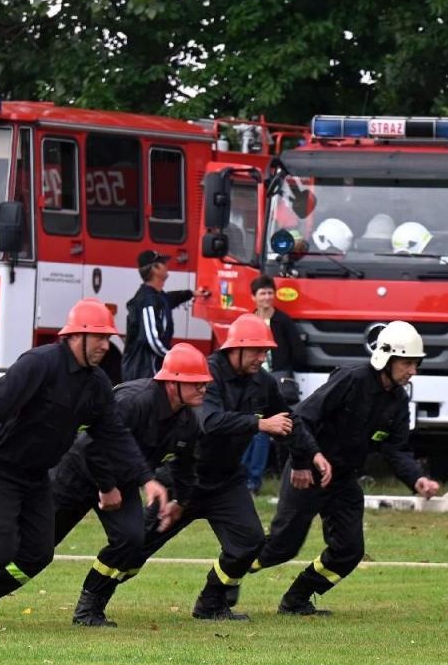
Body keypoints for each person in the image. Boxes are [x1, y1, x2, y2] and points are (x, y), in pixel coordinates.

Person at [0, 299, 169, 630]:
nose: (106, 345)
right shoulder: (40, 363)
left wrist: (147, 479)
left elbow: (114, 435)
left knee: (38, 553)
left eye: (108, 338)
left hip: (35, 476)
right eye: (99, 337)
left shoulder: (97, 384)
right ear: (75, 336)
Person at [107, 313, 311, 621]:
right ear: (235, 349)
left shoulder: (262, 381)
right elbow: (209, 422)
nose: (262, 358)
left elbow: (287, 420)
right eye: (257, 351)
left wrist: (304, 459)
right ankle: (93, 602)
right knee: (135, 547)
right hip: (185, 480)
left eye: (265, 351)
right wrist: (259, 424)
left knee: (249, 542)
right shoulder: (206, 374)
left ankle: (212, 603)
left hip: (226, 481)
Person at [248, 320, 441, 614]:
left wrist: (418, 480)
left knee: (349, 550)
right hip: (308, 472)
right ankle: (223, 581)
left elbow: (396, 449)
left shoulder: (398, 400)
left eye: (416, 364)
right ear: (386, 358)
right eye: (407, 363)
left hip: (343, 480)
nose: (412, 371)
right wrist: (303, 460)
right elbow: (302, 418)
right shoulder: (351, 379)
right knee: (281, 547)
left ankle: (297, 599)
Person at [64, 343, 210, 627]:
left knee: (131, 540)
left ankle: (89, 609)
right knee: (39, 546)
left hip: (123, 482)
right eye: (196, 383)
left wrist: (181, 501)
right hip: (79, 474)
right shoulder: (133, 401)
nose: (203, 389)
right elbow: (93, 446)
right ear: (173, 383)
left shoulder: (188, 421)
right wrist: (106, 486)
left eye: (205, 383)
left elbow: (184, 465)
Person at [239, 275, 307, 492]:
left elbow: (298, 351)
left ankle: (253, 480)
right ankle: (240, 476)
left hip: (275, 380)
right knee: (246, 429)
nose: (267, 297)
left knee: (261, 431)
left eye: (270, 293)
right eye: (263, 293)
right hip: (249, 380)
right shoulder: (247, 321)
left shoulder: (283, 321)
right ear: (253, 297)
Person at [121, 250, 195, 380]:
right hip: (144, 373)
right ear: (155, 269)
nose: (167, 265)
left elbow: (170, 299)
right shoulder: (148, 300)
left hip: (150, 371)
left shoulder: (157, 296)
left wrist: (192, 293)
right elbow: (151, 340)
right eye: (162, 263)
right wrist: (174, 357)